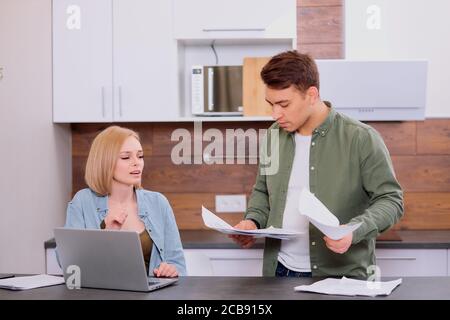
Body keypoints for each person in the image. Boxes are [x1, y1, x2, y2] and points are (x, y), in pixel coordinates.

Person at [230, 50, 403, 278]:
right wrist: (251, 221)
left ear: (311, 95)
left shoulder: (361, 138)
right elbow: (263, 190)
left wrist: (354, 230)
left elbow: (391, 199)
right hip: (279, 271)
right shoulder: (273, 136)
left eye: (284, 104)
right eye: (271, 104)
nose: (275, 114)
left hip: (341, 276)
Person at [64, 126, 186, 277]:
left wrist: (172, 270)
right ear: (105, 162)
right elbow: (69, 265)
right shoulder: (82, 202)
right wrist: (105, 236)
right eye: (126, 157)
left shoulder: (158, 202)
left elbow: (178, 263)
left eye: (140, 156)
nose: (137, 163)